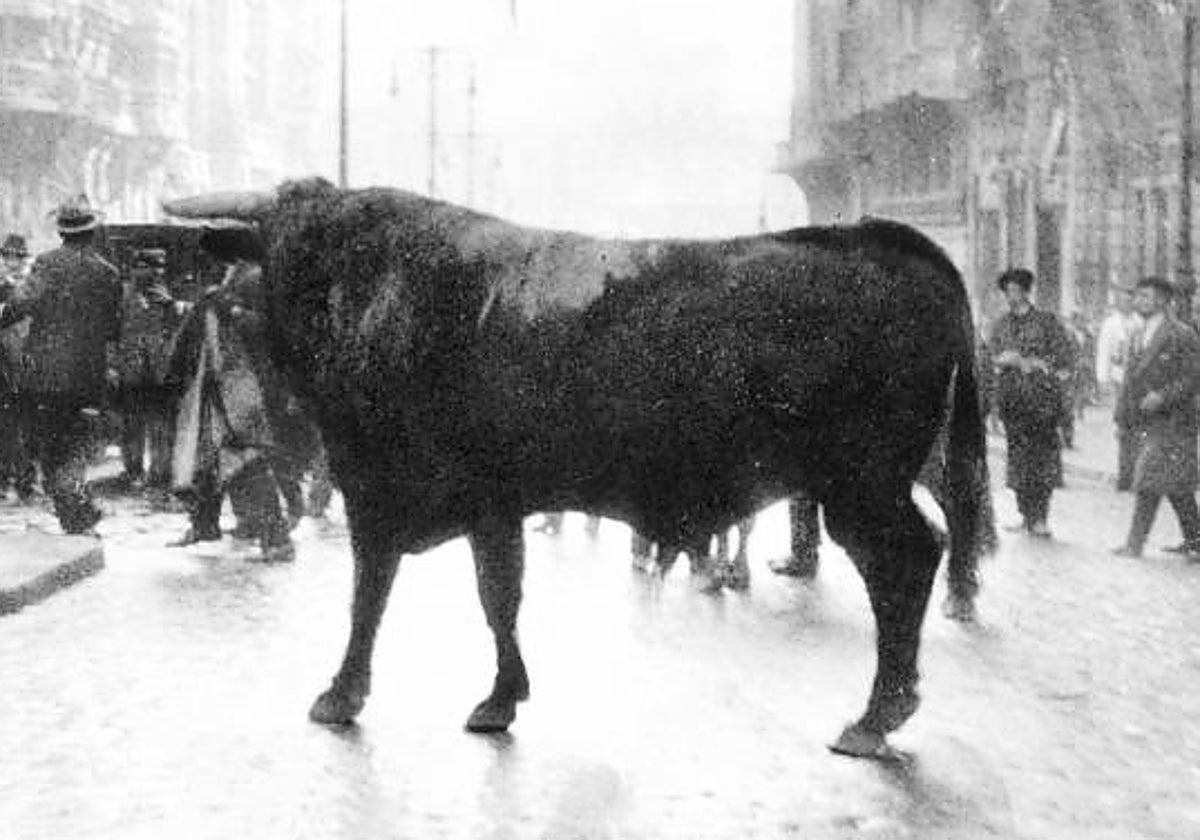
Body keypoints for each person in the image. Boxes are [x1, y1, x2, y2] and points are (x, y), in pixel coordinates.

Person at [0, 197, 121, 533]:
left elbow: (21, 304)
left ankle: (76, 509)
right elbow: (113, 329)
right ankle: (78, 509)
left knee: (50, 445)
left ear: (61, 231)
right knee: (74, 443)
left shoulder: (47, 264)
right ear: (91, 231)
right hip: (88, 374)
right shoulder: (107, 273)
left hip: (45, 375)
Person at [1112, 276, 1200, 560]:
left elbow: (1192, 377)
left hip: (1174, 420)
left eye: (1146, 297)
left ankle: (1134, 545)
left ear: (1162, 300)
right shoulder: (1138, 333)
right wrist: (1122, 415)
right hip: (1145, 421)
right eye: (1138, 296)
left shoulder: (1181, 334)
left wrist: (1162, 396)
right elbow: (1129, 379)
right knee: (1177, 486)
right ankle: (1196, 541)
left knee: (1150, 481)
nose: (1139, 301)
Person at [989, 268, 1076, 538]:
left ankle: (1040, 517)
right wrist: (1004, 359)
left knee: (1041, 460)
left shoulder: (1047, 322)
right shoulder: (1001, 324)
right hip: (1012, 400)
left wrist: (1038, 364)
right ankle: (1025, 514)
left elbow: (1065, 358)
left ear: (1027, 291)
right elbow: (990, 355)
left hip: (1041, 401)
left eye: (1016, 290)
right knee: (1018, 460)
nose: (1010, 296)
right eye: (1007, 291)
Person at [111, 248, 178, 491]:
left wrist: (172, 305)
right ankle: (133, 471)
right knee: (132, 423)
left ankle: (161, 472)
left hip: (161, 370)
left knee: (161, 424)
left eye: (160, 268)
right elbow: (111, 331)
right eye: (149, 268)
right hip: (131, 368)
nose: (156, 273)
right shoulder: (122, 295)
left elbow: (177, 330)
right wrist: (112, 364)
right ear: (136, 269)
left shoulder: (168, 296)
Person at [0, 233, 37, 501]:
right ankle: (3, 480)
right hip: (3, 364)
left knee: (29, 424)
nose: (13, 262)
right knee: (5, 425)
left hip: (29, 363)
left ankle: (27, 480)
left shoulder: (33, 286)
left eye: (18, 257)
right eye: (8, 257)